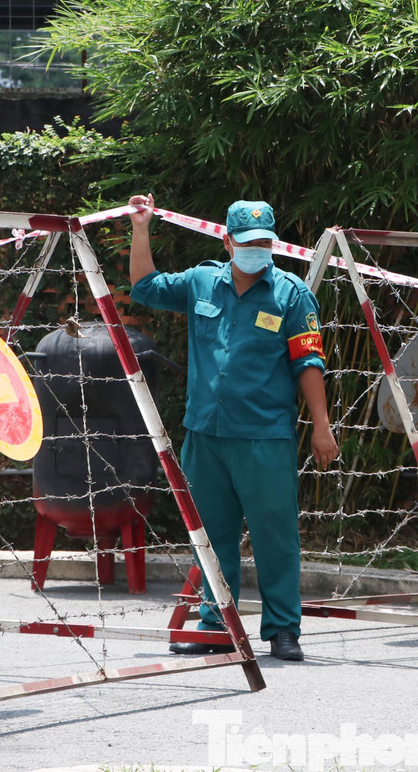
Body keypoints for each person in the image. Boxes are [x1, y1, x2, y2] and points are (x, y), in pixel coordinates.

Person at [127, 194, 338, 661]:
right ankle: (217, 625)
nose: (256, 250)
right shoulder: (202, 281)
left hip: (264, 437)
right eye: (247, 242)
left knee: (274, 536)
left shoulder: (292, 294)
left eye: (264, 242)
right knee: (211, 536)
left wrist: (321, 426)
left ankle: (283, 630)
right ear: (227, 242)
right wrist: (141, 227)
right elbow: (144, 286)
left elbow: (309, 362)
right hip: (205, 436)